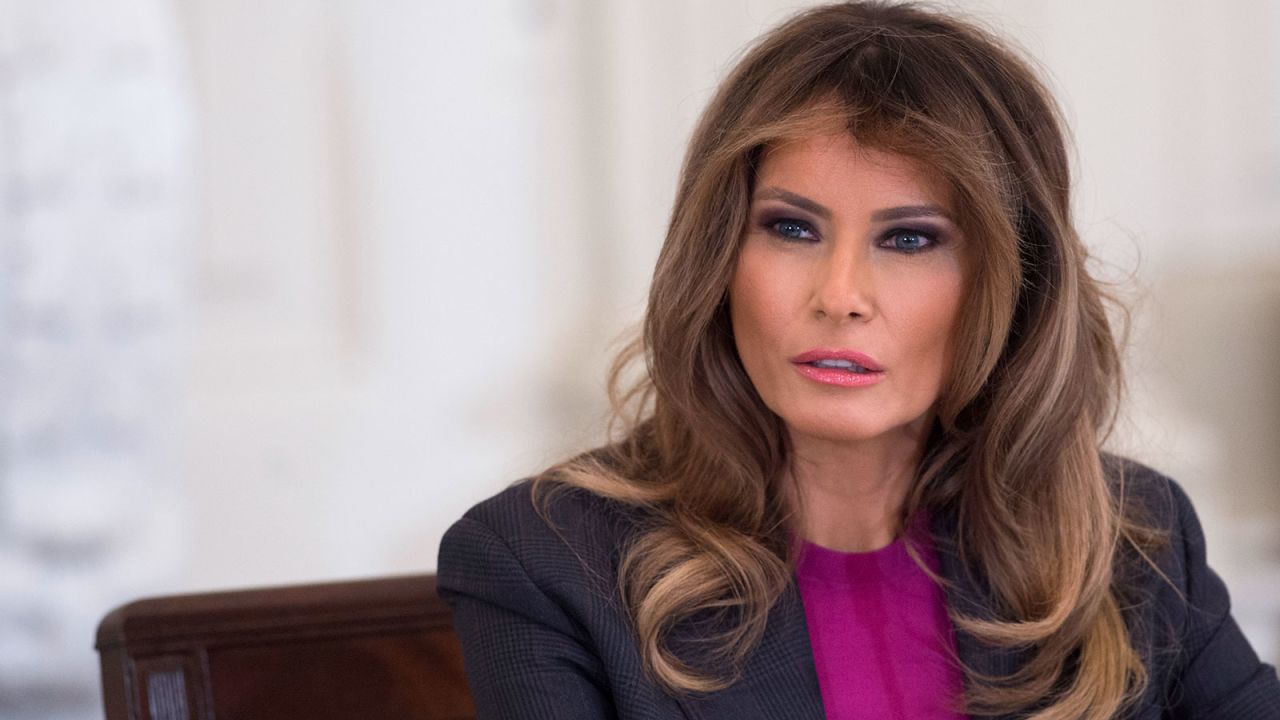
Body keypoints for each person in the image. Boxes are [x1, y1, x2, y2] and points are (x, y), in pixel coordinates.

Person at [436, 2, 1280, 718]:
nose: (840, 294)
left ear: (1012, 284)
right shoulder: (540, 562)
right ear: (721, 256)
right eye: (791, 228)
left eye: (909, 239)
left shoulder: (1133, 536)